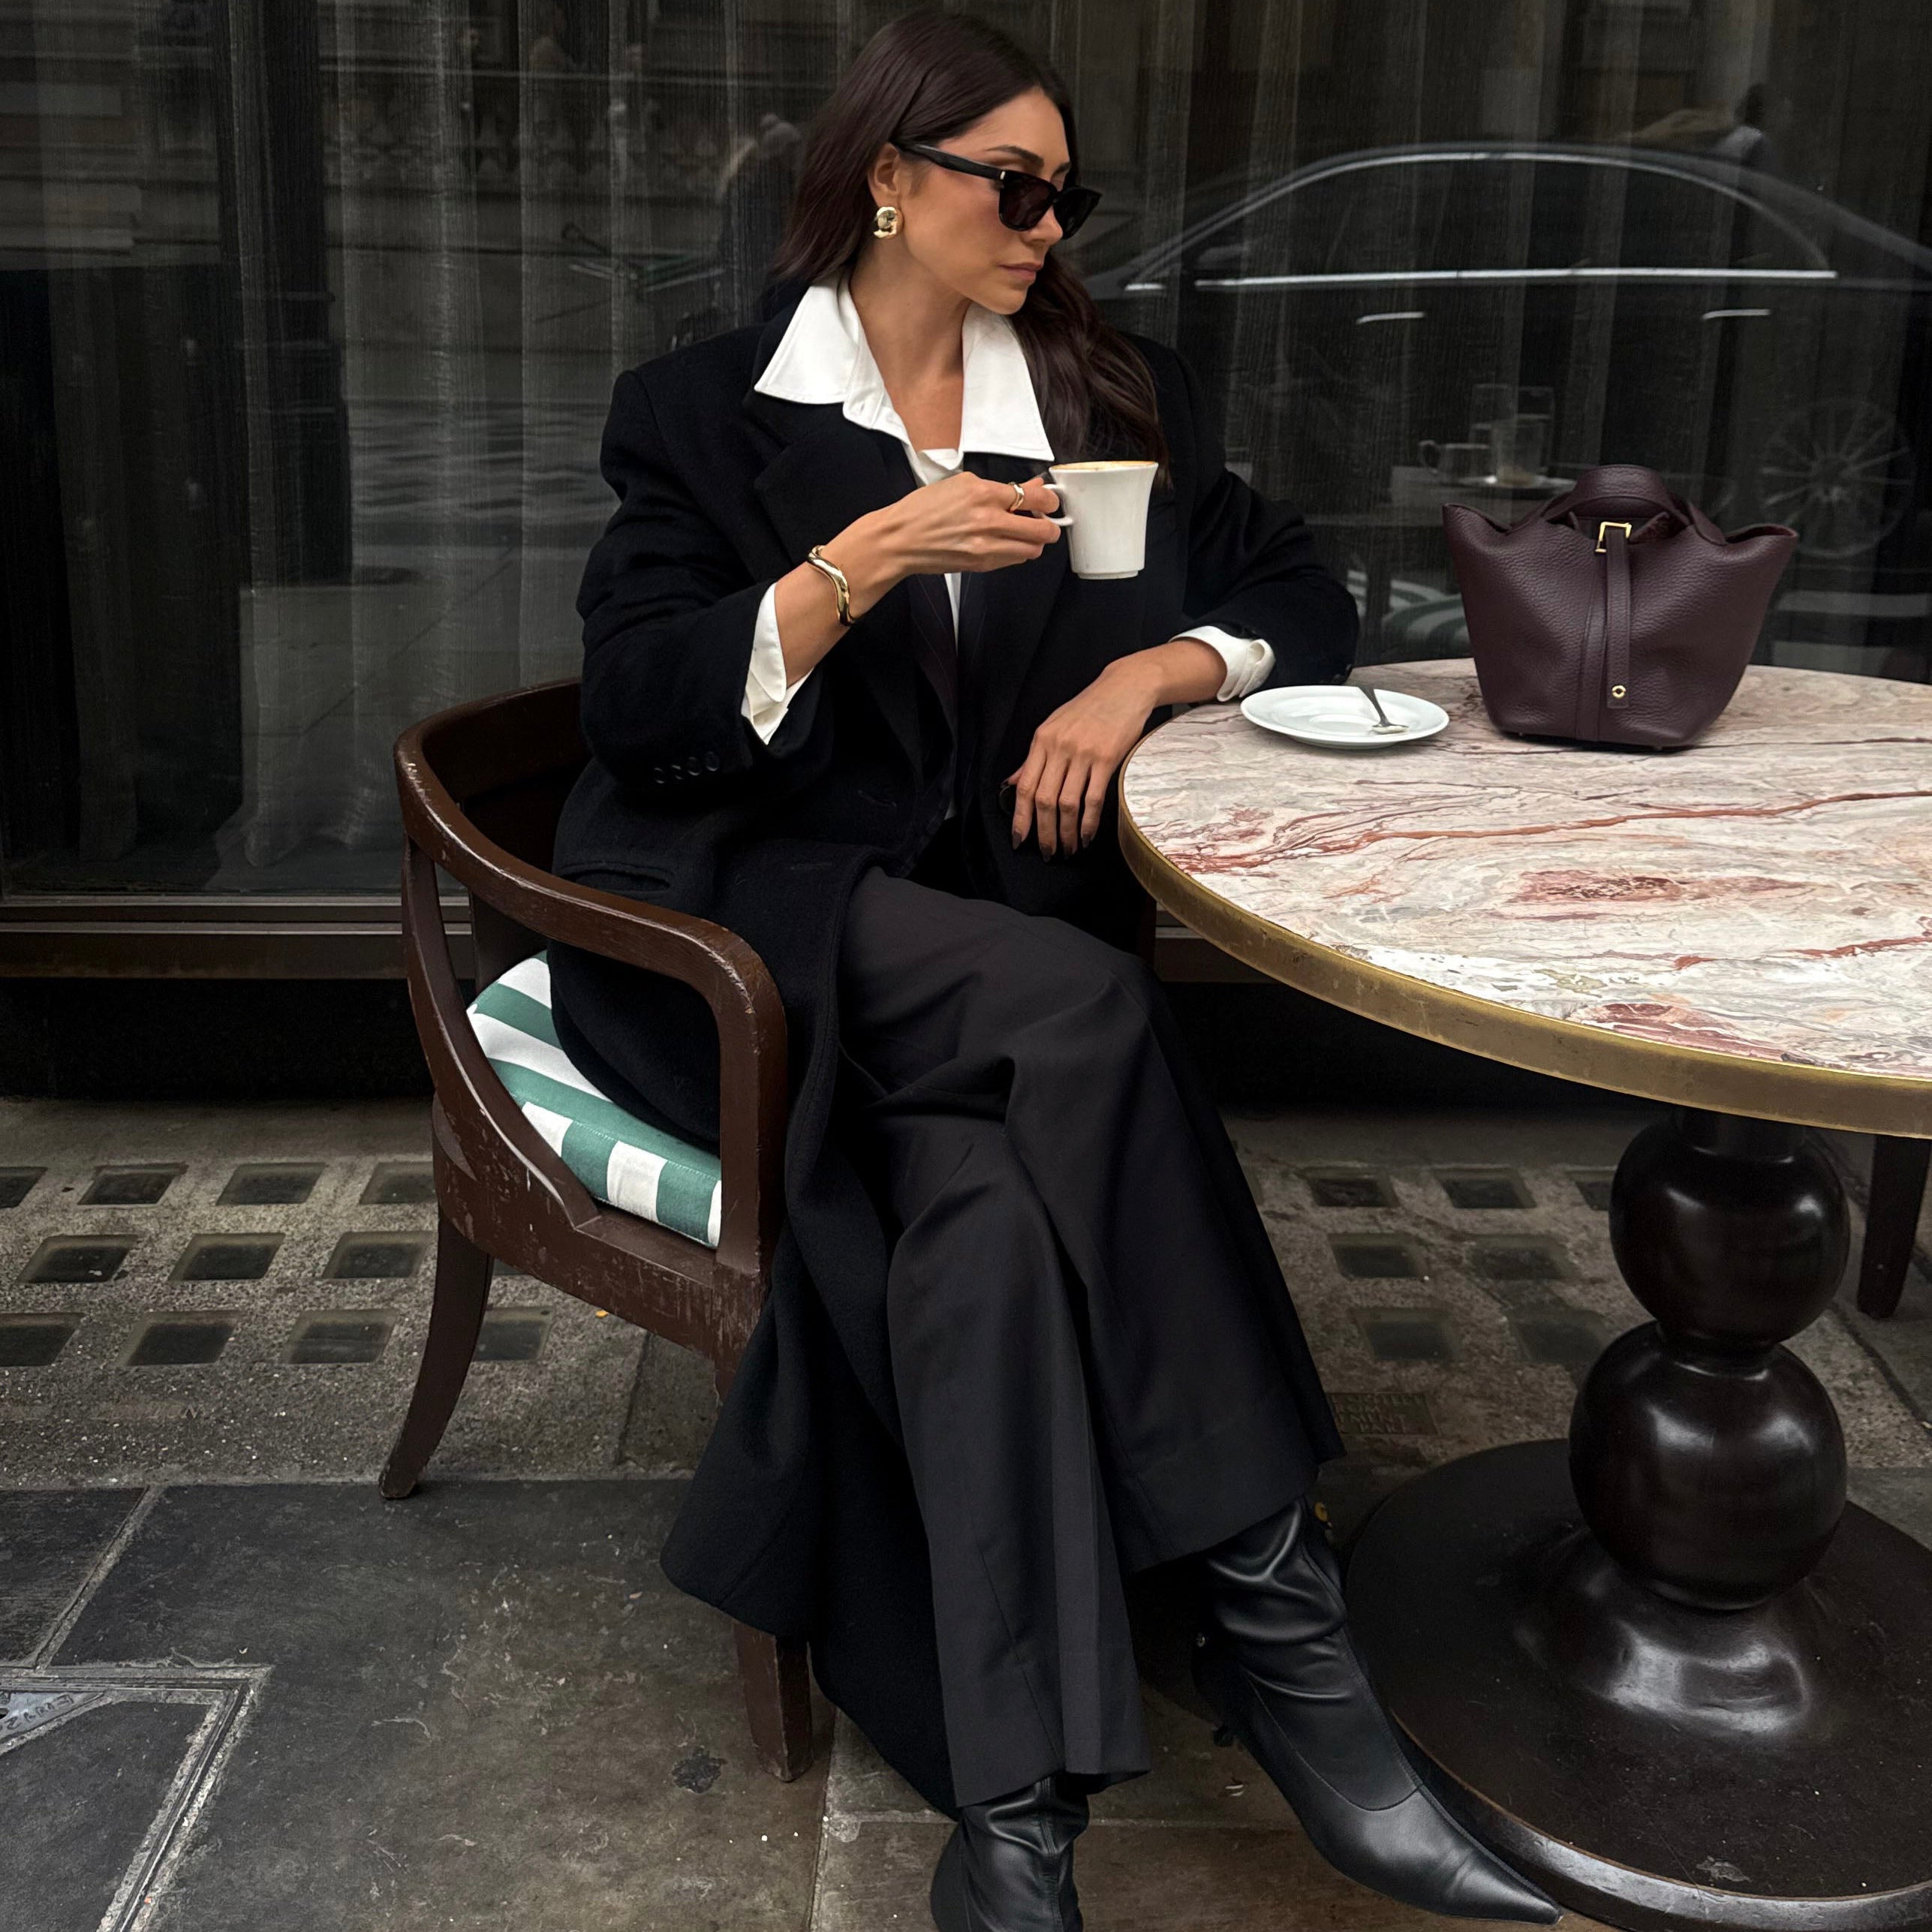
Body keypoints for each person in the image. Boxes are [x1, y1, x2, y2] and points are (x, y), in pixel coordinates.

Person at [547, 12, 1559, 1930]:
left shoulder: (1104, 392)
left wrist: (1140, 676)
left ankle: (1013, 1824)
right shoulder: (701, 410)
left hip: (992, 970)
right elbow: (639, 706)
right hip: (757, 932)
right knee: (1089, 1003)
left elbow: (1298, 591)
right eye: (1014, 188)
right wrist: (862, 560)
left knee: (990, 1237)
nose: (1047, 225)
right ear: (887, 179)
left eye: (1066, 195)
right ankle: (1293, 1652)